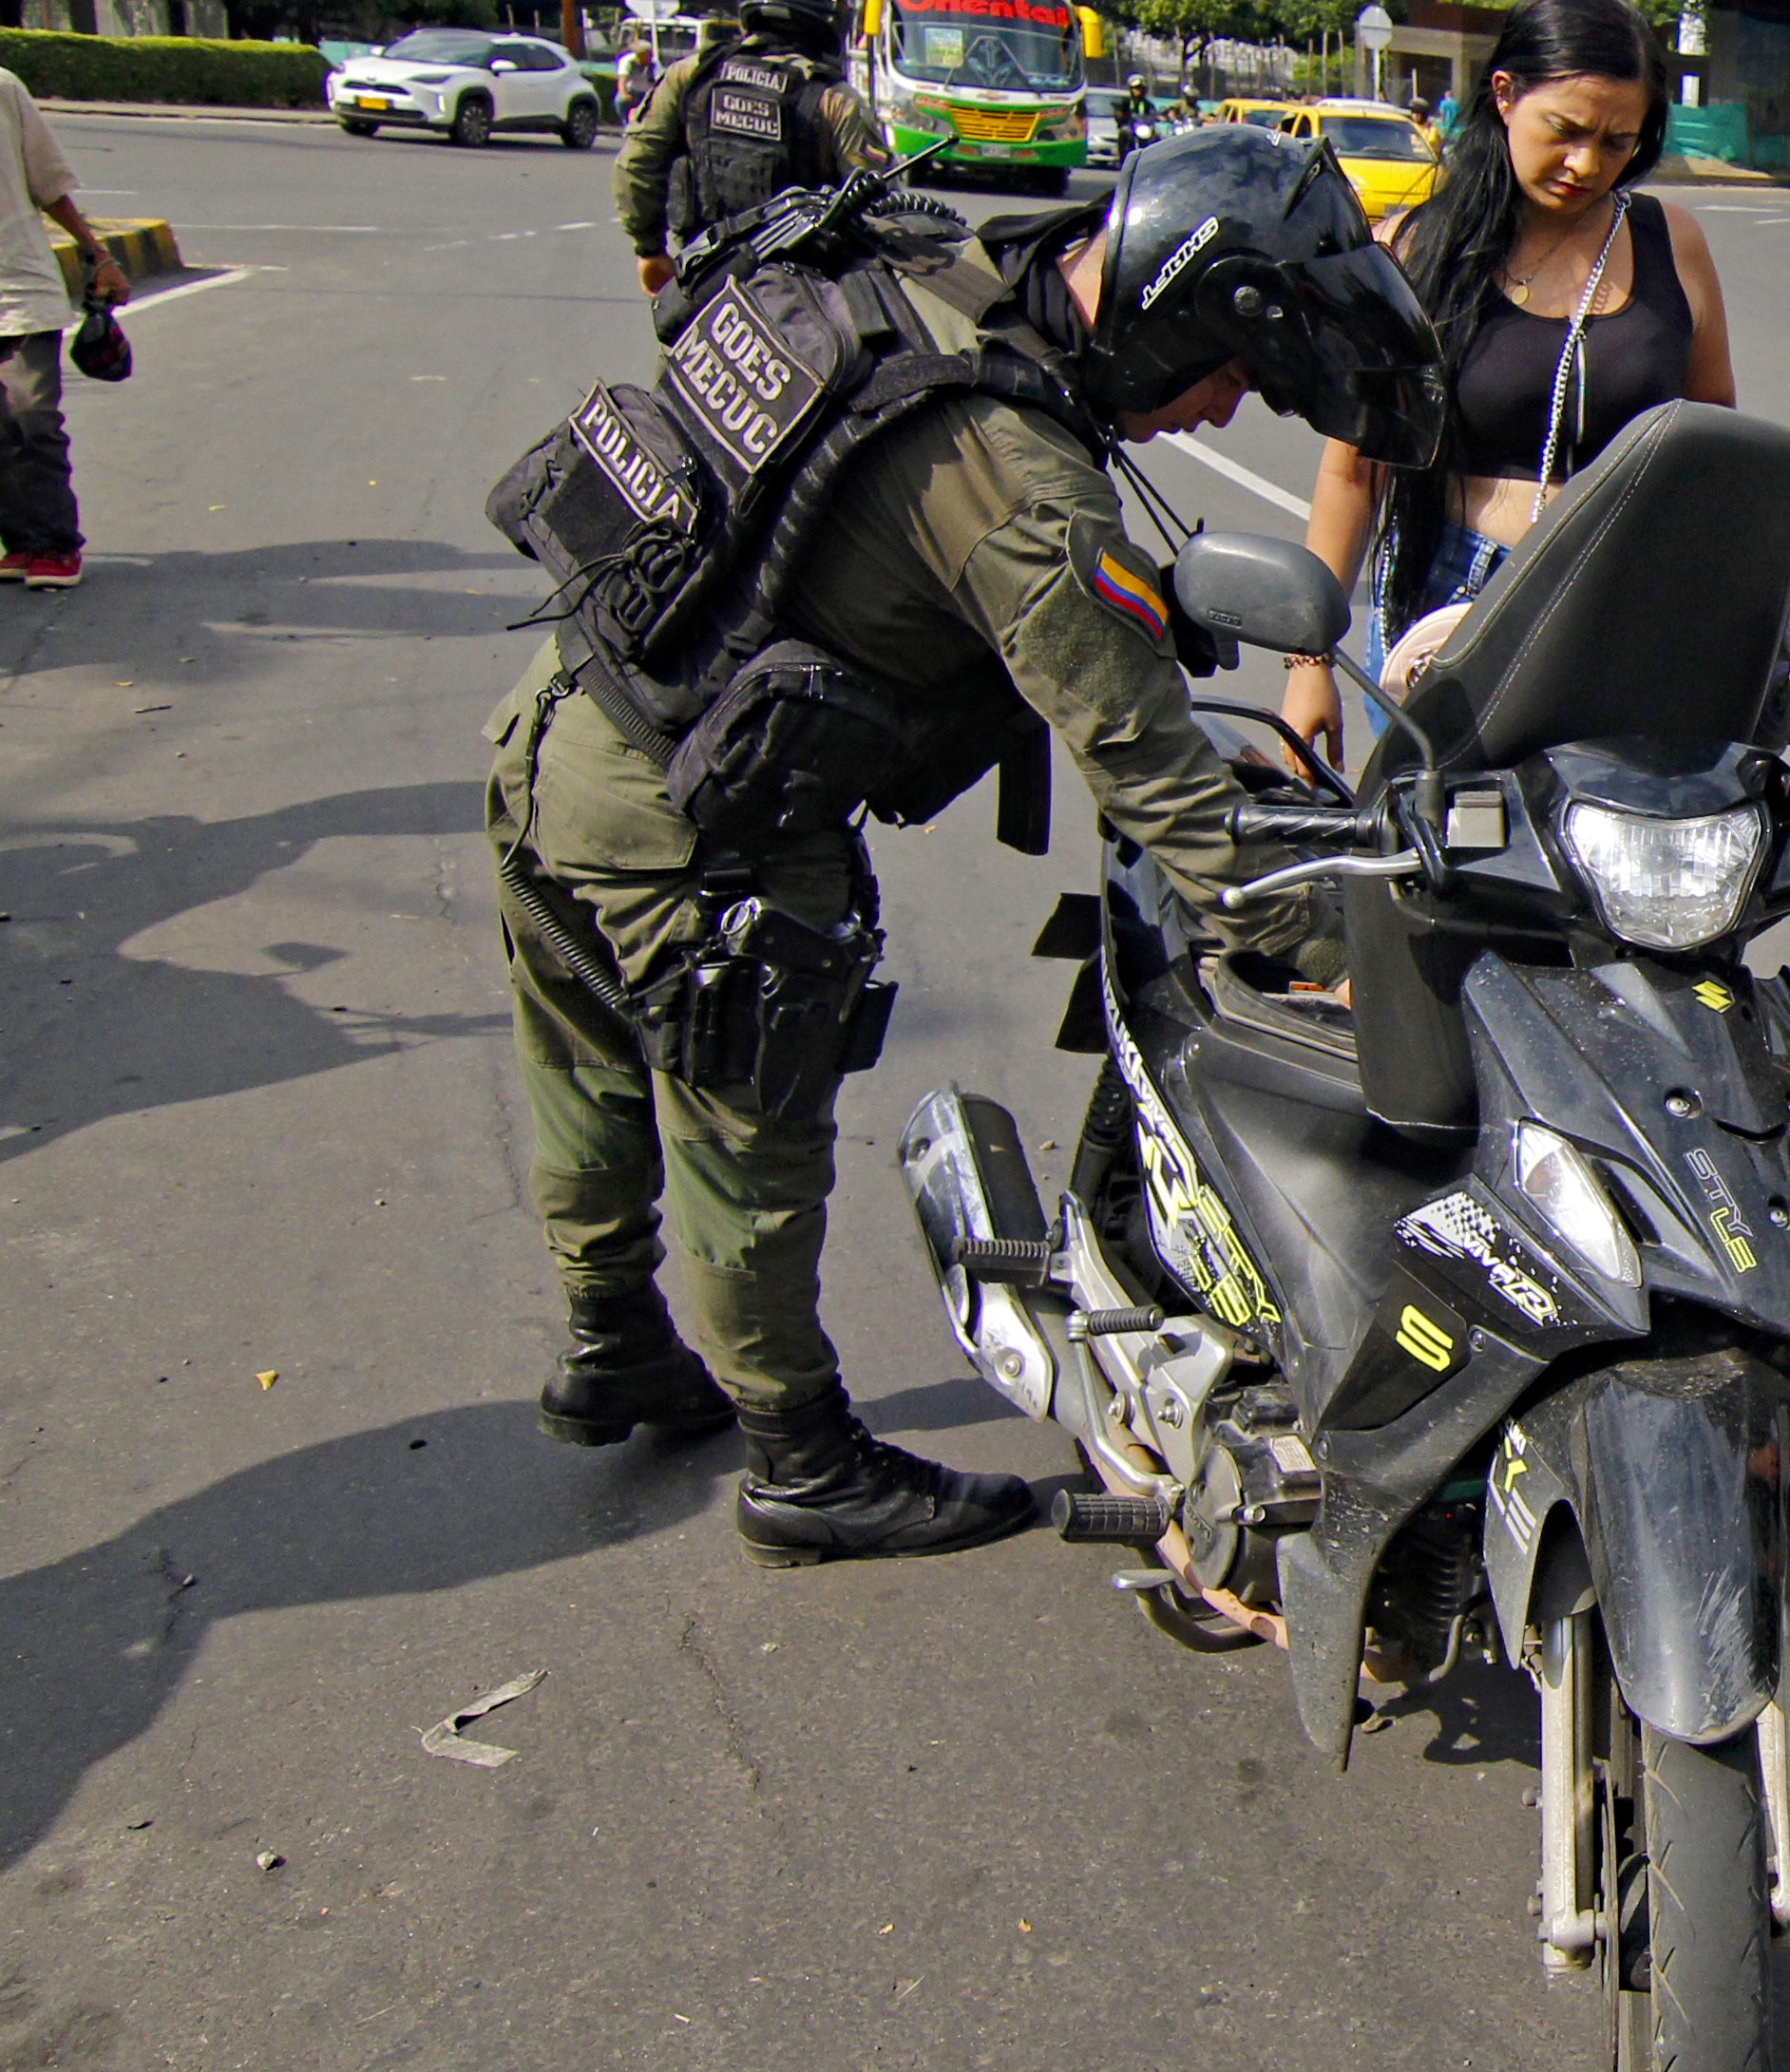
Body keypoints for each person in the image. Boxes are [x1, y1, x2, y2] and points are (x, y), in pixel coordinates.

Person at [490, 124, 1441, 1567]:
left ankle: (610, 1336)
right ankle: (797, 1461)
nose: (1219, 412)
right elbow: (1151, 779)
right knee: (747, 1139)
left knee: (586, 1069)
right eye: (1230, 374)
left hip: (560, 724)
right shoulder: (1022, 480)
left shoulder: (924, 268)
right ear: (1174, 315)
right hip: (708, 820)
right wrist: (1345, 949)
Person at [1279, 0, 1734, 764]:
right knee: (1453, 860)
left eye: (1620, 142)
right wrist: (1308, 665)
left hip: (1620, 606)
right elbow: (1352, 477)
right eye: (1566, 130)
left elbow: (1717, 444)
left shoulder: (1673, 242)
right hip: (1450, 605)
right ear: (1504, 95)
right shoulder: (1415, 254)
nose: (1587, 164)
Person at [617, 0, 885, 300]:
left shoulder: (691, 75)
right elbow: (880, 213)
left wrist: (648, 250)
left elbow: (637, 163)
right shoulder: (835, 101)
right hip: (800, 302)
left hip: (702, 283)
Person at [0, 57, 132, 591]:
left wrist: (97, 254)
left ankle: (55, 543)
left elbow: (48, 183)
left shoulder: (3, 87)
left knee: (30, 416)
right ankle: (22, 541)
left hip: (15, 284)